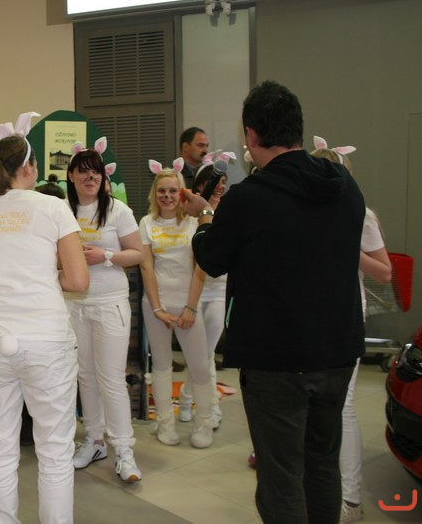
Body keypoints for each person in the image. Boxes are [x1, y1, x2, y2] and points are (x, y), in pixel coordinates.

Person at [182, 80, 365, 524]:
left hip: (277, 360)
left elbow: (212, 258)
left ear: (250, 134)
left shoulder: (249, 197)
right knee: (322, 463)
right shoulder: (344, 186)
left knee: (281, 477)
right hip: (337, 350)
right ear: (298, 129)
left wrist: (204, 216)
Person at [0, 112, 89, 524]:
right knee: (55, 451)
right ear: (28, 167)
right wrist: (38, 279)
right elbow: (78, 280)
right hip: (46, 339)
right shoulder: (54, 207)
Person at [311, 136, 392, 524]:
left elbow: (385, 272)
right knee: (314, 406)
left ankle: (351, 498)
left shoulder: (362, 216)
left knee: (341, 406)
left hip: (344, 314)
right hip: (308, 316)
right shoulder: (304, 211)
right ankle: (320, 489)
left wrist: (349, 247)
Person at [64, 138, 144, 481]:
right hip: (74, 305)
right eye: (83, 172)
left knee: (111, 378)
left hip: (110, 304)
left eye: (95, 172)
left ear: (103, 176)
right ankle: (94, 440)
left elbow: (138, 253)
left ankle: (124, 450)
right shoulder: (62, 210)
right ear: (71, 176)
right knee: (85, 375)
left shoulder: (117, 210)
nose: (90, 177)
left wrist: (106, 256)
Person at [139, 158, 216, 449]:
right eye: (162, 191)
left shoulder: (194, 222)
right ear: (154, 193)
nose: (167, 196)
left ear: (182, 193)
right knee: (160, 366)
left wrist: (191, 308)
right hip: (156, 305)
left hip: (188, 304)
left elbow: (200, 267)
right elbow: (146, 267)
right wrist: (157, 308)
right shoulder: (146, 223)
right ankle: (164, 423)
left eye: (173, 191)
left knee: (199, 367)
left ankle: (204, 423)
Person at [177, 152, 235, 429]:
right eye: (215, 181)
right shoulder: (189, 216)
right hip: (192, 293)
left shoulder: (229, 213)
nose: (220, 186)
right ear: (200, 186)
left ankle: (197, 402)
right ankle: (201, 404)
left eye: (224, 181)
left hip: (219, 291)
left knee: (206, 354)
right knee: (200, 356)